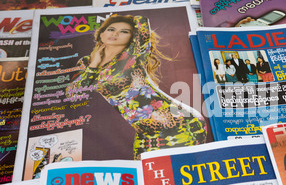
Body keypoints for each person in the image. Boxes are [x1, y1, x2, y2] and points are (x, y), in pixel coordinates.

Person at [67, 14, 207, 160]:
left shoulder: (134, 53)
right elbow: (74, 94)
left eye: (124, 31)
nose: (115, 33)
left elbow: (142, 22)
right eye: (111, 29)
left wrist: (117, 13)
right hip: (145, 133)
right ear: (101, 34)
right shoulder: (86, 62)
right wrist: (93, 66)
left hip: (178, 123)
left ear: (132, 37)